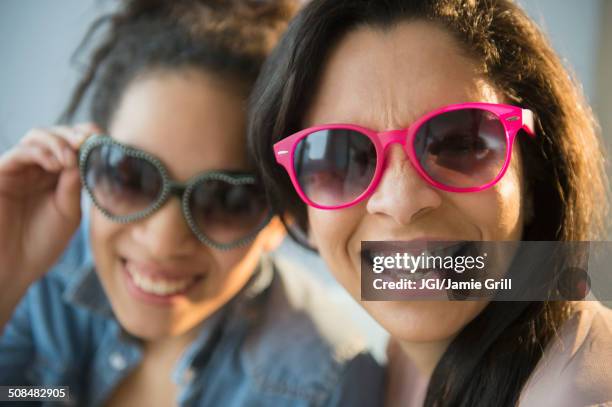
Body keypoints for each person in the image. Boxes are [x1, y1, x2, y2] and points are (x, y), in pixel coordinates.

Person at [0, 1, 384, 405]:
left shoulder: (323, 387)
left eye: (226, 200)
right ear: (87, 163)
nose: (163, 241)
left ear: (280, 218)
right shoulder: (43, 273)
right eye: (130, 176)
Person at [248, 0, 612, 405]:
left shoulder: (581, 393)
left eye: (462, 144)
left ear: (534, 179)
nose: (401, 201)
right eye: (342, 157)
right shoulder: (401, 360)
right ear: (303, 213)